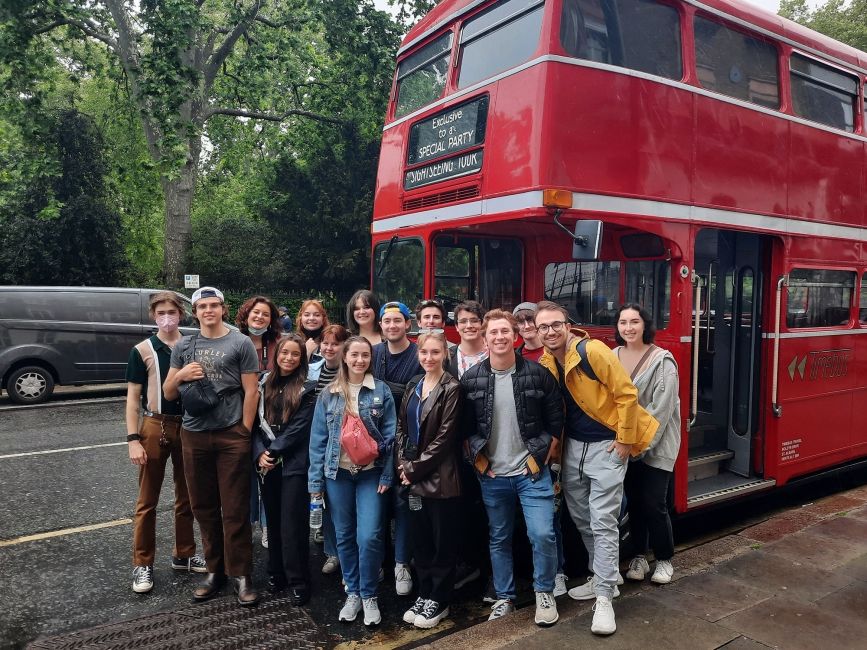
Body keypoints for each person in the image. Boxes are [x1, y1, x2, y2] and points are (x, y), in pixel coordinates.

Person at [535, 300, 659, 636]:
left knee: (603, 520)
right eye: (543, 327)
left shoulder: (593, 351)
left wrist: (623, 440)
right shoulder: (546, 361)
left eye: (555, 324)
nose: (549, 331)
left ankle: (604, 598)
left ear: (567, 324)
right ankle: (602, 574)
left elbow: (626, 394)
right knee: (581, 517)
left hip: (606, 445)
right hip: (574, 447)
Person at [461, 309, 563, 628]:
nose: (500, 337)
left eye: (505, 331)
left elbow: (556, 419)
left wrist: (538, 456)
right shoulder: (472, 378)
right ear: (485, 337)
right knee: (499, 537)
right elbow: (464, 428)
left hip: (531, 473)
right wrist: (479, 460)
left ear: (515, 335)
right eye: (494, 332)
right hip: (493, 476)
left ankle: (544, 592)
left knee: (543, 534)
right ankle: (505, 597)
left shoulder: (537, 373)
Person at [163, 286, 261, 607]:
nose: (208, 311)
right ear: (195, 311)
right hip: (194, 435)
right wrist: (181, 376)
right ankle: (214, 571)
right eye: (202, 306)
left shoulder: (240, 342)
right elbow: (168, 394)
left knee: (234, 508)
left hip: (230, 434)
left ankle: (242, 574)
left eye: (213, 305)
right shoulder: (184, 346)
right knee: (203, 507)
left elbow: (251, 391)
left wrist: (244, 431)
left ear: (223, 308)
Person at [308, 336, 396, 627]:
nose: (360, 360)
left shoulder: (380, 391)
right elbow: (318, 441)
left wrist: (387, 474)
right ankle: (353, 591)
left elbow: (392, 436)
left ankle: (370, 594)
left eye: (365, 356)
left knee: (369, 535)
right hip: (338, 475)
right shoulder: (330, 394)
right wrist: (316, 484)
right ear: (344, 357)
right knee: (344, 535)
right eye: (354, 355)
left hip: (371, 474)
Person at [125, 291, 205, 594]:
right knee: (147, 500)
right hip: (155, 424)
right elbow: (133, 398)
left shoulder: (191, 345)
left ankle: (183, 554)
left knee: (187, 496)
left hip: (189, 425)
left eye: (172, 312)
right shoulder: (143, 350)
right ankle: (142, 562)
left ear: (181, 314)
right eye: (161, 313)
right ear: (153, 315)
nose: (167, 318)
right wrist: (133, 438)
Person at [396, 331, 462, 630]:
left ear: (445, 355)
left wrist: (412, 469)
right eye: (424, 352)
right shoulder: (413, 385)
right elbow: (401, 429)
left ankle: (440, 598)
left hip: (440, 479)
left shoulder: (452, 388)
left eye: (436, 352)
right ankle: (424, 593)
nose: (429, 358)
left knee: (441, 542)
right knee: (419, 541)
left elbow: (444, 438)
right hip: (411, 474)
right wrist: (402, 462)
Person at [614, 304, 681, 586]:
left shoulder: (662, 361)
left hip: (657, 444)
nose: (628, 327)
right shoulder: (612, 356)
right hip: (625, 445)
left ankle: (664, 559)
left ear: (645, 325)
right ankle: (639, 556)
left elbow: (661, 411)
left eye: (634, 322)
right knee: (634, 503)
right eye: (622, 322)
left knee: (655, 503)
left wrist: (637, 445)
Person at [253, 333, 318, 605]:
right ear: (276, 354)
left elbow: (300, 428)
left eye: (295, 354)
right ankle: (276, 572)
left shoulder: (309, 388)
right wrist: (259, 454)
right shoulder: (263, 383)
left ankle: (298, 579)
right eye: (284, 353)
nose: (289, 358)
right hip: (267, 462)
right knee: (274, 520)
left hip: (294, 462)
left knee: (292, 523)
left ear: (302, 358)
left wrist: (273, 451)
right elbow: (254, 426)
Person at [512, 301, 567, 596]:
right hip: (523, 452)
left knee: (552, 516)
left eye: (530, 320)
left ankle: (558, 571)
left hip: (550, 447)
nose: (526, 326)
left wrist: (552, 448)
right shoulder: (517, 355)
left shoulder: (549, 356)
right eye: (520, 322)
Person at [371, 301, 423, 596]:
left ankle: (401, 563)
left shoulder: (418, 354)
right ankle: (378, 561)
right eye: (386, 321)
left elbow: (418, 391)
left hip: (408, 441)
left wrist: (385, 388)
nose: (392, 326)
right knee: (377, 505)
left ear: (407, 323)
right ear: (381, 325)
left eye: (397, 321)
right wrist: (396, 390)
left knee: (403, 504)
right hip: (375, 441)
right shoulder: (375, 353)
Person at [236, 295, 283, 548]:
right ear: (246, 314)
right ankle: (245, 526)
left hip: (271, 416)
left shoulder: (277, 343)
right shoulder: (235, 341)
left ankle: (267, 526)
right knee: (244, 477)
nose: (260, 318)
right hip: (240, 414)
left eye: (265, 314)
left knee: (268, 471)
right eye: (256, 313)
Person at [312, 324, 351, 575]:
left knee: (341, 505)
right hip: (317, 439)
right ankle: (331, 551)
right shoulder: (313, 371)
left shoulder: (348, 373)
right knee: (324, 499)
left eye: (335, 344)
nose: (328, 348)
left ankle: (343, 552)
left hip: (343, 446)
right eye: (325, 343)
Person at [446, 301, 488, 379]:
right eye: (463, 321)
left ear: (482, 324)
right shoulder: (447, 357)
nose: (469, 326)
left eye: (474, 321)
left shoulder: (494, 354)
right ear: (457, 327)